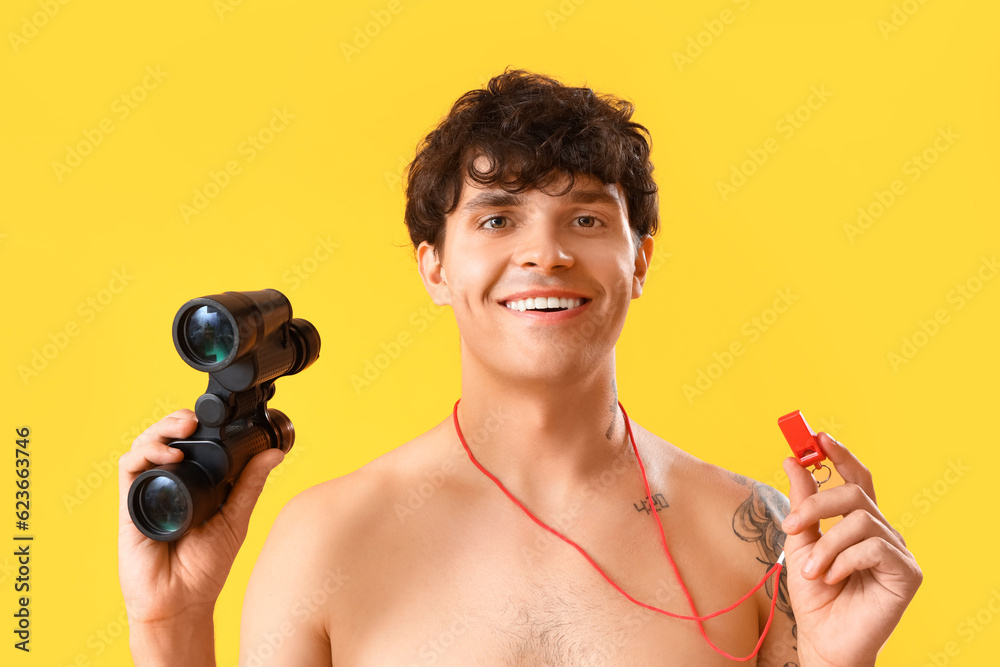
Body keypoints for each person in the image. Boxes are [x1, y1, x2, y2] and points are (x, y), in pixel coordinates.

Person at [118, 68, 922, 666]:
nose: (545, 252)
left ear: (639, 261)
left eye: (585, 216)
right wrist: (171, 627)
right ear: (434, 267)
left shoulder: (763, 538)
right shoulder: (325, 540)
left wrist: (834, 662)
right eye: (498, 218)